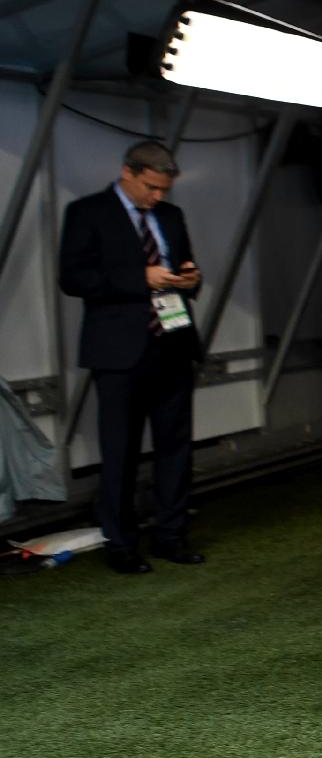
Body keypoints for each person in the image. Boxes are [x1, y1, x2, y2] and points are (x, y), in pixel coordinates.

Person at [57, 141, 207, 575]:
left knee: (175, 449)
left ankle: (171, 536)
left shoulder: (171, 216)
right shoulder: (87, 213)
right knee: (120, 451)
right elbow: (73, 278)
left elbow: (185, 270)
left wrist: (190, 278)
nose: (157, 196)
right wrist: (139, 278)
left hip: (173, 345)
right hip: (119, 353)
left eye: (163, 189)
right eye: (151, 187)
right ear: (128, 172)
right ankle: (121, 543)